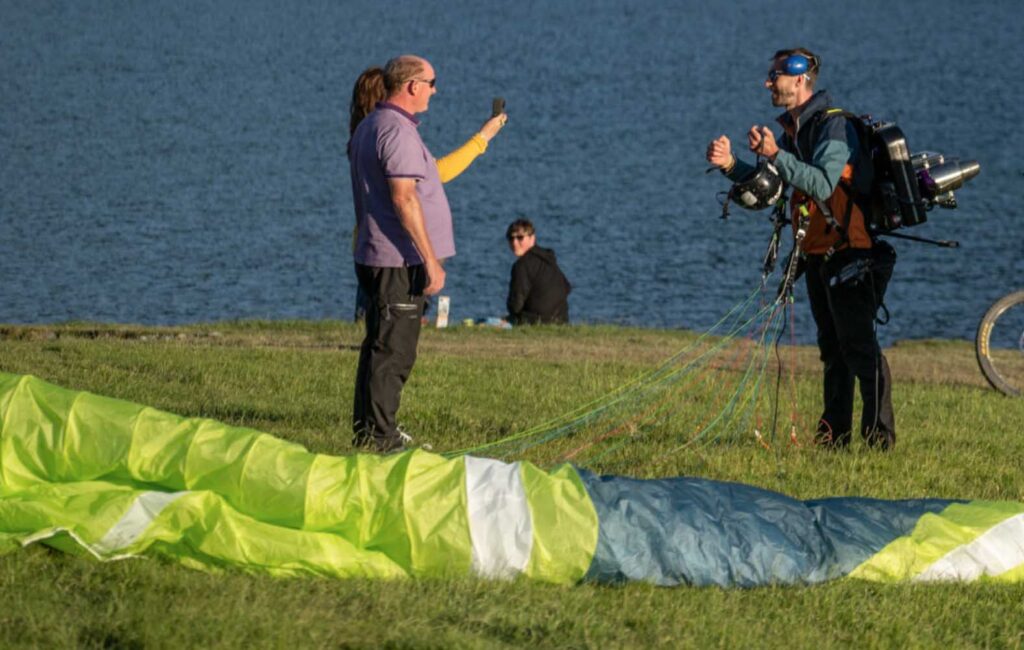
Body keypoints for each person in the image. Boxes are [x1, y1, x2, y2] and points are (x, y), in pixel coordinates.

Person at [705, 47, 896, 450]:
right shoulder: (795, 130)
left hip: (852, 250)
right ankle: (833, 438)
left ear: (798, 78)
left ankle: (880, 440)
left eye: (774, 75)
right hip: (816, 253)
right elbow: (776, 188)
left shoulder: (833, 128)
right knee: (832, 350)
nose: (768, 83)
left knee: (860, 349)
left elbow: (823, 184)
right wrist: (732, 166)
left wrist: (775, 153)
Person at [349, 55, 497, 452]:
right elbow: (404, 198)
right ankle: (382, 439)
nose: (435, 90)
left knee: (379, 345)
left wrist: (482, 137)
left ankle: (369, 432)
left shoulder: (374, 125)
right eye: (432, 82)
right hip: (397, 261)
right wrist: (430, 260)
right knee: (394, 350)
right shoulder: (395, 132)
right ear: (412, 86)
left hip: (379, 256)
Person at [348, 66, 507, 321]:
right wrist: (483, 138)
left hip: (368, 244)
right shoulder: (394, 135)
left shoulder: (365, 134)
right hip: (395, 251)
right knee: (395, 327)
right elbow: (436, 174)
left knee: (374, 321)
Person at [505, 219, 571, 325]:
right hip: (561, 321)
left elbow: (515, 306)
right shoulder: (549, 259)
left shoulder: (521, 265)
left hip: (535, 321)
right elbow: (567, 287)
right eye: (511, 238)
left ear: (532, 238)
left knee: (488, 322)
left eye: (520, 238)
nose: (514, 242)